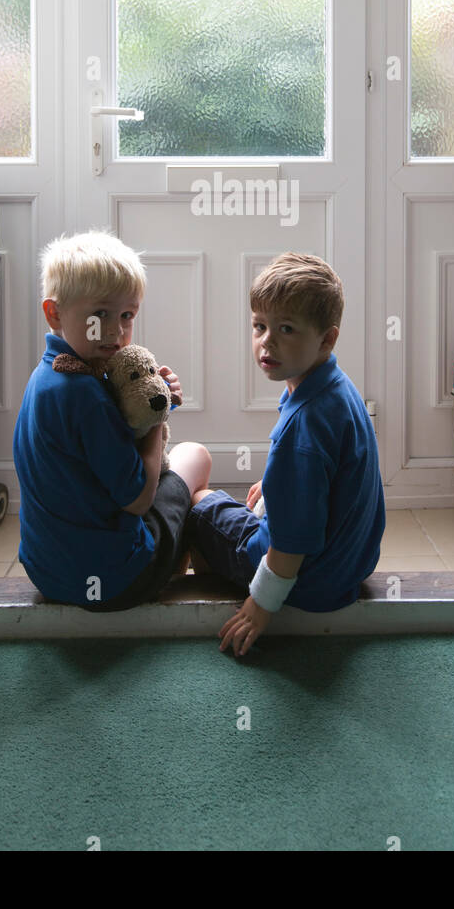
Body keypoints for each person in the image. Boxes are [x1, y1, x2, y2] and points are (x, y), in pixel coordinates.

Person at [185, 252, 385, 658]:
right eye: (259, 326)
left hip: (308, 580)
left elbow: (294, 541)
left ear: (327, 338)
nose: (266, 342)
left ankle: (225, 590)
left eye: (286, 329)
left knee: (199, 505)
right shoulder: (334, 387)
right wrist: (279, 488)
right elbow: (327, 476)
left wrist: (262, 603)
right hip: (352, 566)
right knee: (245, 505)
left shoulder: (304, 427)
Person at [13, 230, 211, 610]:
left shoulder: (47, 377)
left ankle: (173, 565)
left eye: (126, 316)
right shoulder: (85, 395)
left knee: (180, 475)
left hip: (49, 574)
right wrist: (156, 419)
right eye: (99, 314)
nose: (116, 332)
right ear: (54, 312)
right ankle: (181, 583)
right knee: (196, 457)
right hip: (115, 581)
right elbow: (137, 501)